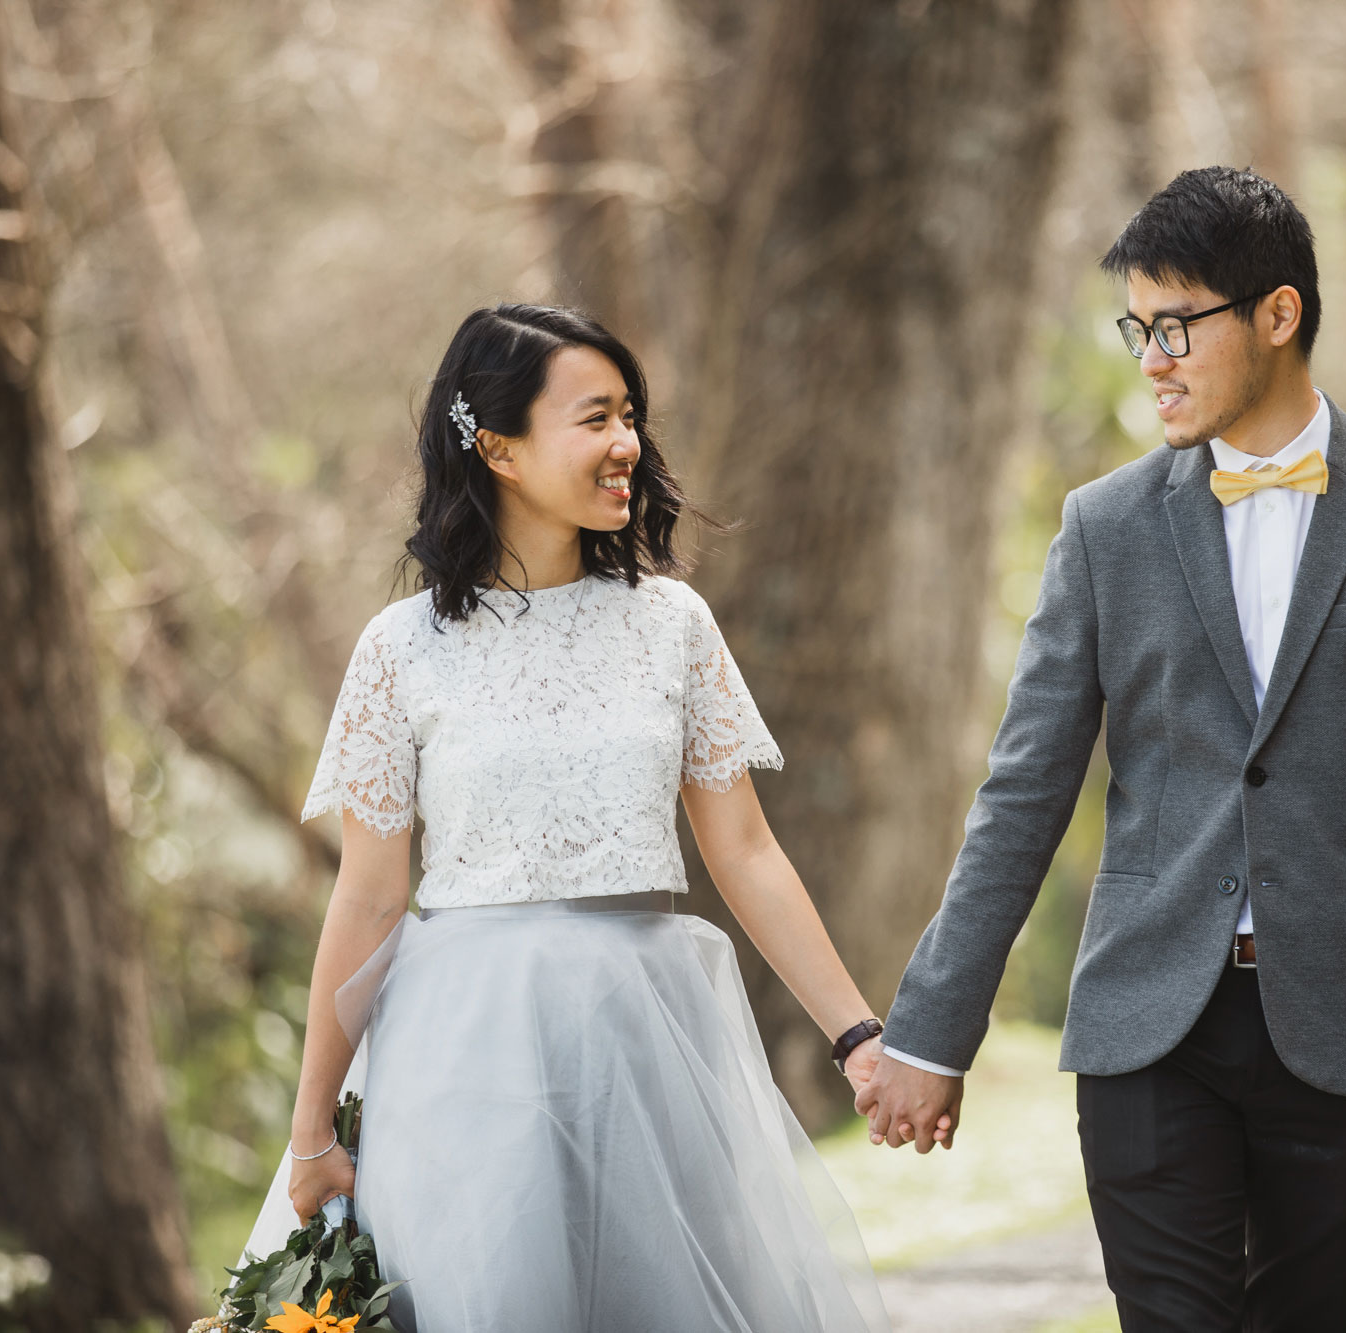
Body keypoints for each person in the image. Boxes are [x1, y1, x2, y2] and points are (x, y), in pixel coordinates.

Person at [857, 166, 1346, 1331]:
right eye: (1138, 329)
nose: (1151, 358)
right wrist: (930, 1026)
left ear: (1276, 315)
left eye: (1176, 326)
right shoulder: (1101, 528)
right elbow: (1023, 792)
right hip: (1146, 1021)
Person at [240, 303, 891, 1332]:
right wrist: (312, 1128)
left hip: (648, 1040)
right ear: (496, 445)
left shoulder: (671, 622)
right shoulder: (401, 648)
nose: (626, 442)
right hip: (465, 1053)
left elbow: (745, 849)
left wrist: (858, 1034)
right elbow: (366, 897)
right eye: (594, 417)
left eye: (629, 414)